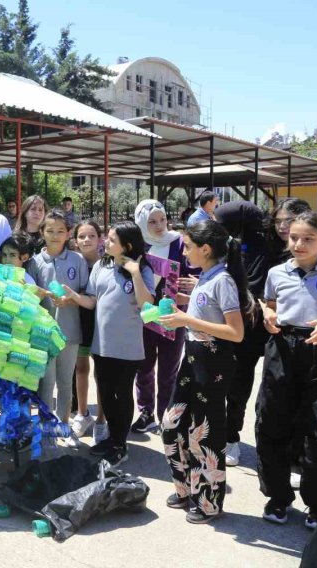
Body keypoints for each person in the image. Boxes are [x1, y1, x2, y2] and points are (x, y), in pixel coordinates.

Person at [158, 221, 250, 525]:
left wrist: (186, 319)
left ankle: (209, 503)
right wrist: (186, 305)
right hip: (192, 360)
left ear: (206, 249)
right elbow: (207, 310)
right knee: (172, 424)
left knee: (204, 433)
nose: (184, 252)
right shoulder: (207, 276)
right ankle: (186, 488)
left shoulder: (223, 280)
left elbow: (235, 332)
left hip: (213, 364)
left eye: (188, 247)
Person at [257, 211, 317, 530]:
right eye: (294, 237)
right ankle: (278, 497)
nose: (299, 244)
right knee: (272, 420)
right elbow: (269, 303)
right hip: (282, 347)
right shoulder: (277, 272)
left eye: (308, 239)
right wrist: (267, 314)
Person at [66, 222, 155, 467]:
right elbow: (92, 301)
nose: (106, 241)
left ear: (127, 246)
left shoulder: (143, 269)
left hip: (128, 348)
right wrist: (74, 298)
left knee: (122, 395)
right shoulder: (101, 266)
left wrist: (135, 273)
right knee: (106, 394)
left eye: (113, 240)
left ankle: (120, 444)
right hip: (101, 345)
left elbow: (147, 305)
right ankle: (113, 439)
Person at [214, 200, 271, 467]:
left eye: (222, 223)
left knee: (242, 387)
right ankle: (222, 433)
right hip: (229, 326)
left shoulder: (266, 247)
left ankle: (233, 438)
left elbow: (255, 286)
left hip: (255, 332)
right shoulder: (228, 244)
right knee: (224, 383)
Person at [130, 200, 189, 434]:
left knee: (169, 369)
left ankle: (166, 415)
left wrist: (184, 291)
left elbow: (191, 273)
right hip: (145, 314)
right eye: (152, 221)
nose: (159, 226)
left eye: (162, 219)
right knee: (144, 367)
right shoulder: (137, 244)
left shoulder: (179, 243)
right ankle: (146, 413)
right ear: (142, 223)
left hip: (173, 315)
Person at [28, 210, 88, 425]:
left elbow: (85, 293)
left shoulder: (77, 260)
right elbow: (29, 296)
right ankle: (46, 427)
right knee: (46, 382)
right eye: (50, 231)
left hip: (69, 332)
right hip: (43, 334)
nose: (55, 235)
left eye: (60, 231)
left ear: (68, 233)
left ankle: (63, 425)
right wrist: (41, 294)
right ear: (42, 232)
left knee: (65, 382)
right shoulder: (35, 262)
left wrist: (70, 300)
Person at [70, 220, 106, 442]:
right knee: (80, 369)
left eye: (92, 235)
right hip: (79, 322)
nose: (86, 240)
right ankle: (82, 414)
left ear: (100, 239)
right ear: (75, 240)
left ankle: (101, 419)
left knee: (101, 373)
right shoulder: (72, 262)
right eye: (82, 236)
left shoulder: (108, 264)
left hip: (102, 325)